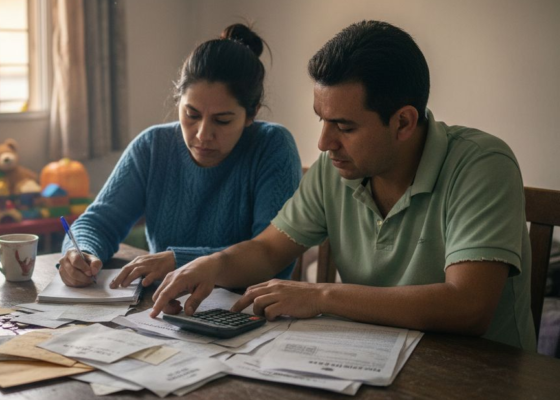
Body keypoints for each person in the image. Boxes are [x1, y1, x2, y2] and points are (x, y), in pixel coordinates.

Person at [151, 20, 536, 351]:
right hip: (372, 359)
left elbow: (468, 306)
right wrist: (207, 264)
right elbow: (268, 250)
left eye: (345, 126)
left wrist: (320, 295)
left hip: (483, 374)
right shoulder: (334, 168)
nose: (323, 143)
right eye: (321, 119)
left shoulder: (482, 164)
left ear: (402, 122)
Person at [58, 23, 302, 289]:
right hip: (163, 309)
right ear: (178, 102)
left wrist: (178, 260)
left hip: (246, 312)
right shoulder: (152, 146)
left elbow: (270, 256)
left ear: (251, 114)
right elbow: (98, 222)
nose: (202, 135)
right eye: (192, 115)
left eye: (222, 120)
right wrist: (79, 253)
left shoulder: (272, 146)